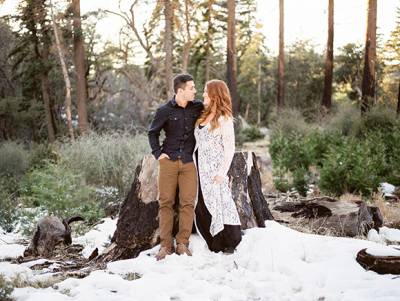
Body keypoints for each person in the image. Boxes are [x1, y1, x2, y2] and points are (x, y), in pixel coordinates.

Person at [148, 73, 203, 261]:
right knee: (166, 203)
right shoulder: (164, 111)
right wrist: (158, 154)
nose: (195, 91)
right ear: (180, 91)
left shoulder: (198, 108)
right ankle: (165, 246)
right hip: (168, 162)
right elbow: (152, 133)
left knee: (187, 203)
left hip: (188, 162)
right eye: (191, 88)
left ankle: (182, 243)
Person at [194, 79, 242, 254]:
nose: (203, 94)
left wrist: (222, 172)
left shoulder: (224, 119)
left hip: (215, 169)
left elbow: (230, 148)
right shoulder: (202, 115)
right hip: (199, 167)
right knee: (202, 204)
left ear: (215, 94)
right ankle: (211, 241)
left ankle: (229, 240)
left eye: (206, 91)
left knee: (220, 203)